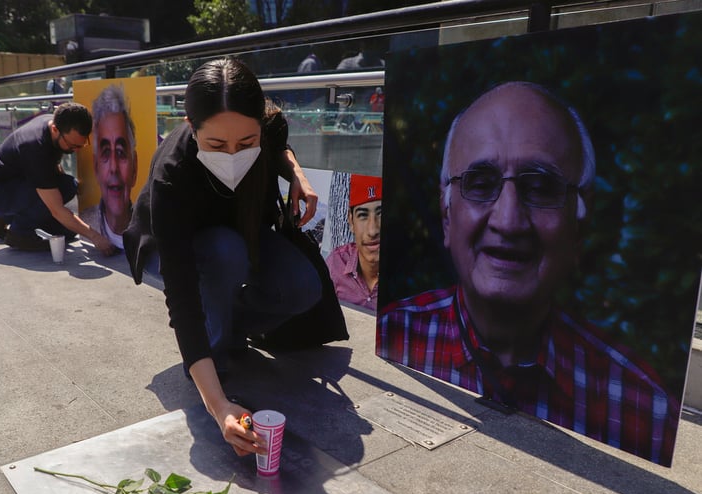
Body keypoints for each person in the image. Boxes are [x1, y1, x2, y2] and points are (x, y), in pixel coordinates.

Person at [377, 81, 679, 466]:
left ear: (579, 227)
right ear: (447, 215)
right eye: (480, 183)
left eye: (540, 187)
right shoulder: (394, 334)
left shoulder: (645, 410)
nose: (508, 220)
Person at [123, 58, 322, 457]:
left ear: (259, 127)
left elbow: (279, 145)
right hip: (183, 247)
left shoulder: (270, 129)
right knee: (222, 252)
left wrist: (296, 173)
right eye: (216, 145)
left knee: (304, 287)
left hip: (239, 231)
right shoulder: (171, 175)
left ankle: (228, 328)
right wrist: (219, 408)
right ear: (191, 125)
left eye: (247, 143)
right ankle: (210, 357)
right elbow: (181, 298)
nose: (232, 155)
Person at [0, 102, 115, 256]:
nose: (77, 150)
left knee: (68, 188)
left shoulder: (54, 122)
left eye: (82, 144)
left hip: (19, 184)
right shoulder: (35, 148)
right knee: (61, 193)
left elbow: (54, 167)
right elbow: (56, 209)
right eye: (73, 145)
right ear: (55, 130)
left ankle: (7, 216)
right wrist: (95, 236)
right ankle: (20, 234)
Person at [80, 84, 136, 250]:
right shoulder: (85, 223)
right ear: (96, 168)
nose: (113, 167)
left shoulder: (153, 227)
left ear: (135, 168)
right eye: (105, 152)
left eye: (120, 152)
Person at [326, 174, 381, 311]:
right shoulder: (336, 263)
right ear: (351, 221)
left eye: (381, 214)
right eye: (363, 215)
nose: (373, 230)